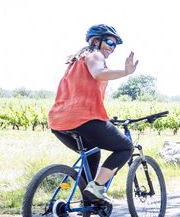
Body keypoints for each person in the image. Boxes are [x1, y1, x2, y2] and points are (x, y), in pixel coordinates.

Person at [47, 24, 139, 204]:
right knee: (126, 147)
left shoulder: (76, 62)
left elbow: (82, 92)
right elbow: (99, 73)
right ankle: (96, 188)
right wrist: (125, 72)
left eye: (115, 45)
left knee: (92, 153)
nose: (112, 48)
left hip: (58, 122)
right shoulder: (94, 55)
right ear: (96, 41)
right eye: (110, 42)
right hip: (84, 119)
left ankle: (88, 200)